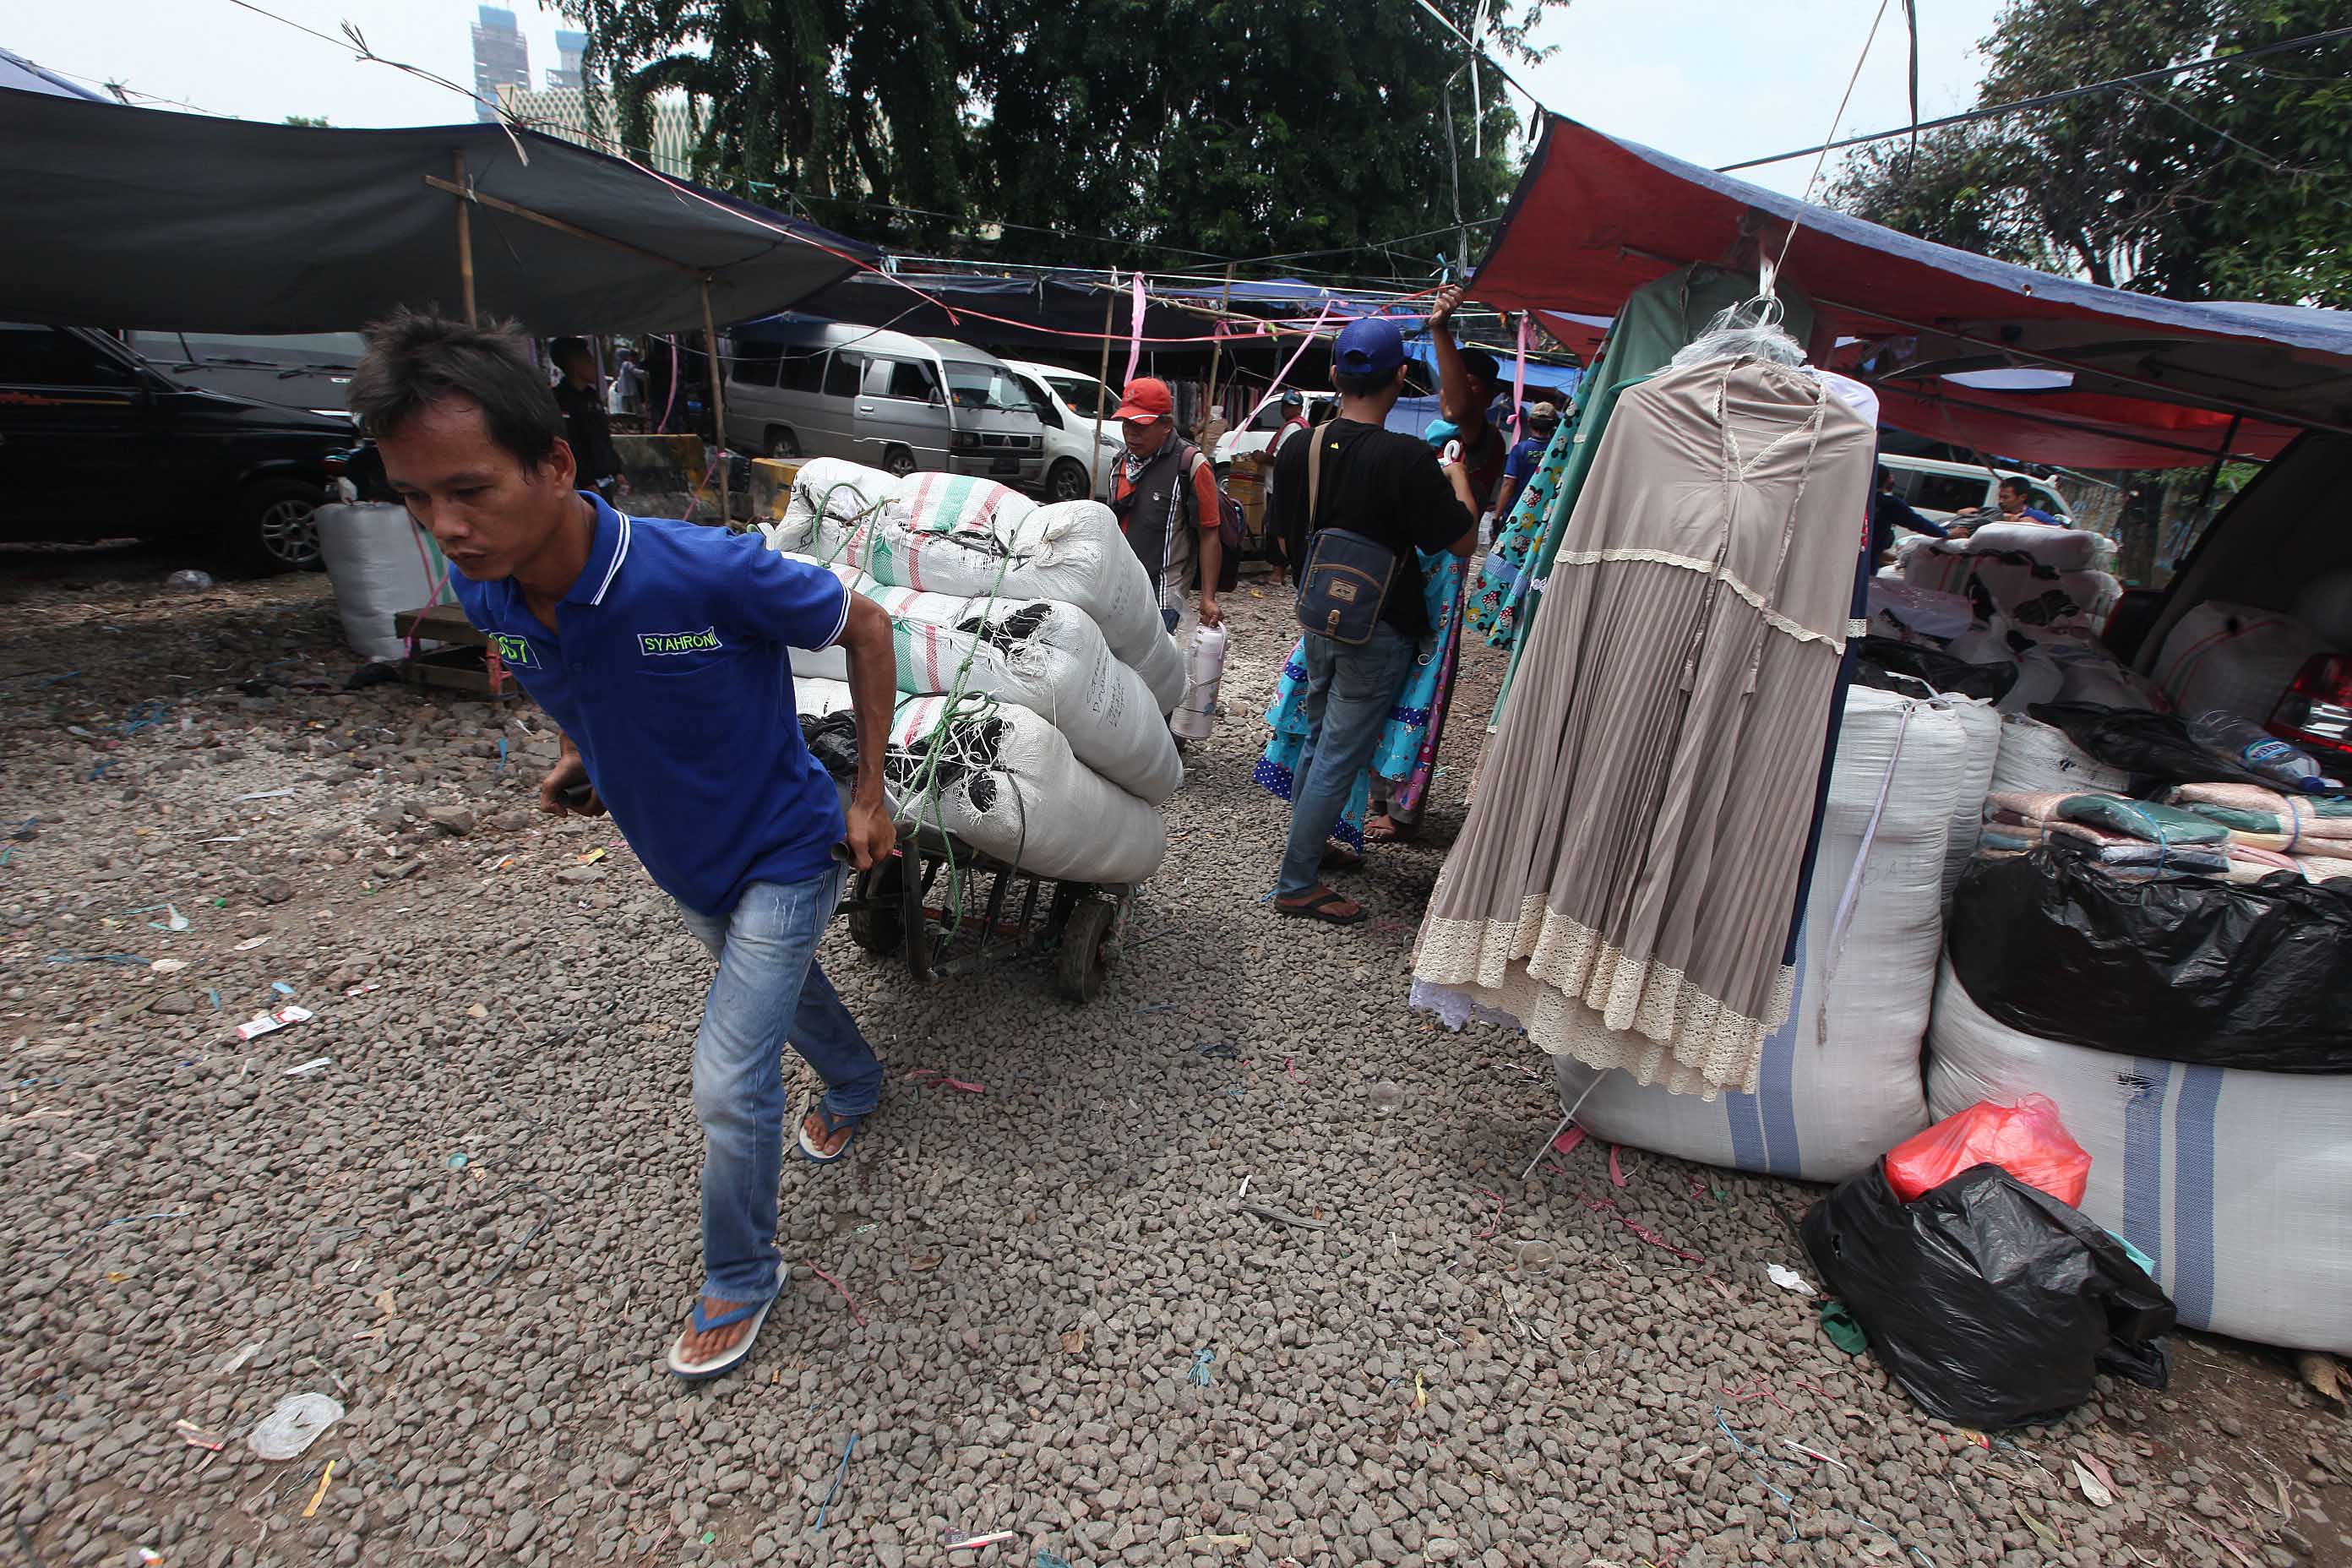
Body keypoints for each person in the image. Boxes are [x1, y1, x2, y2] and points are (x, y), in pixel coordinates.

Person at [349, 311, 899, 1384]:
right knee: (778, 994)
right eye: (416, 498)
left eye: (467, 488)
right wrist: (577, 755)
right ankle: (862, 1081)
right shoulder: (488, 591)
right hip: (677, 857)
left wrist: (869, 795)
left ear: (555, 464)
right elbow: (560, 672)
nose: (444, 525)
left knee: (729, 1078)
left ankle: (740, 1273)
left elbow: (867, 625)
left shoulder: (702, 573)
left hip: (788, 844)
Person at [1266, 317, 1478, 924]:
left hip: (1319, 617)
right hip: (1377, 627)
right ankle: (1297, 881)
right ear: (1401, 378)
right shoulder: (1408, 459)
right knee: (1338, 751)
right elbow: (1461, 542)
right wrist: (1458, 476)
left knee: (1317, 737)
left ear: (1335, 375)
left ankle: (1308, 852)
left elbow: (1281, 545)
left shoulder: (1300, 446)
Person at [1109, 375, 1225, 641]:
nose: (1131, 433)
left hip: (1163, 599)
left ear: (1166, 425)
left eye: (1141, 425)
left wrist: (1208, 598)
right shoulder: (1120, 464)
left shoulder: (1192, 466)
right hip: (1119, 594)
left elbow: (1209, 534)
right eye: (1126, 423)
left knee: (1149, 674)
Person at [1428, 285, 1510, 515]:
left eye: (1468, 385)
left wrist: (1439, 328)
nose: (1451, 392)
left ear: (1489, 396)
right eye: (1448, 385)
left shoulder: (1486, 438)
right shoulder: (1435, 438)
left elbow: (1460, 408)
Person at [549, 336, 623, 501]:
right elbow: (570, 444)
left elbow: (603, 437)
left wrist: (617, 469)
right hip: (584, 485)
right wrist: (586, 481)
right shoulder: (561, 400)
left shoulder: (592, 396)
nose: (593, 365)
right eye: (588, 360)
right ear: (574, 363)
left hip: (605, 479)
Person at [1489, 400, 1561, 530]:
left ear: (1529, 421)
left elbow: (1509, 484)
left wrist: (1496, 517)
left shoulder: (1520, 450)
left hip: (1517, 514)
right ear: (1554, 425)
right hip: (1546, 517)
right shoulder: (1559, 452)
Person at [1264, 390, 1311, 580]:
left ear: (1299, 408)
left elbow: (1280, 458)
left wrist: (1262, 457)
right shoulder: (1302, 426)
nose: (1286, 409)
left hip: (1280, 486)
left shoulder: (1293, 428)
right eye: (1285, 405)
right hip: (1287, 485)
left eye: (1290, 406)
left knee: (1276, 527)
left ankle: (1278, 572)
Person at [1871, 466, 1948, 562]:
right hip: (1869, 555)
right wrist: (1946, 534)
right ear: (1887, 480)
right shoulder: (1889, 503)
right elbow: (1918, 523)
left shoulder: (1858, 497)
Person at [1953, 476, 2063, 536]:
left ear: (2022, 497)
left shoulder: (2038, 516)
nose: (2000, 501)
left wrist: (2038, 526)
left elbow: (2061, 531)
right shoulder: (1994, 513)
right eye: (1999, 496)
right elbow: (1966, 514)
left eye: (2005, 497)